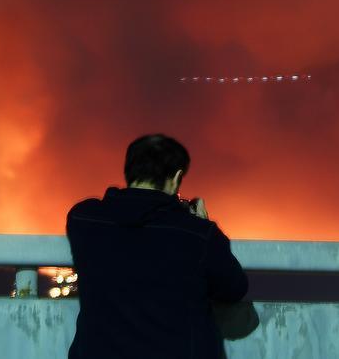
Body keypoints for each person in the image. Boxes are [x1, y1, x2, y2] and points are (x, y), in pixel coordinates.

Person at [66, 133, 249, 358]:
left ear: (130, 171)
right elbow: (234, 288)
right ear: (176, 177)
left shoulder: (84, 219)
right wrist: (201, 224)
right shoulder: (198, 235)